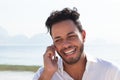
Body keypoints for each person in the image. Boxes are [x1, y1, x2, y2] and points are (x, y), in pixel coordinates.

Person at [33, 7, 120, 80]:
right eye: (58, 40)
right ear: (53, 44)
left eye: (71, 36)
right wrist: (47, 73)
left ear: (83, 36)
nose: (66, 45)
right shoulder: (44, 74)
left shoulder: (111, 72)